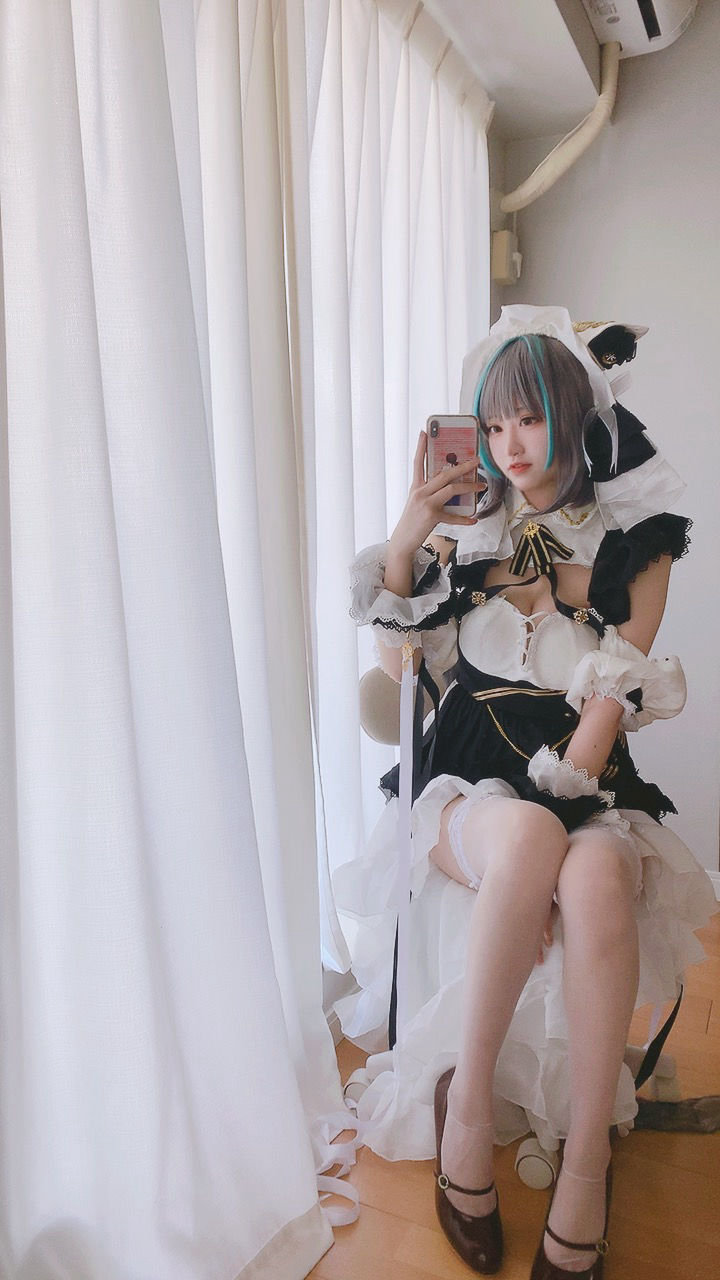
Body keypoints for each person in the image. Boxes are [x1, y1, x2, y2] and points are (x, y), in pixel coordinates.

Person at [338, 306, 717, 1278]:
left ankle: (587, 1162)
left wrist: (565, 803)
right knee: (529, 844)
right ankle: (466, 1115)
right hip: (465, 778)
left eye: (532, 418)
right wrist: (415, 524)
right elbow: (401, 662)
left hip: (578, 776)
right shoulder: (465, 527)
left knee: (592, 876)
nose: (510, 444)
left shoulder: (637, 537)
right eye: (495, 422)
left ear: (576, 416)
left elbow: (612, 698)